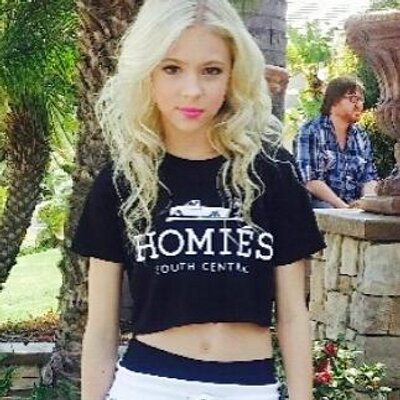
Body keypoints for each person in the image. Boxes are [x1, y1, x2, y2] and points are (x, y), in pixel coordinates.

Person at [71, 1, 325, 399]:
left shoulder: (273, 172)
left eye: (211, 70)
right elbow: (101, 328)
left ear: (233, 75)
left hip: (249, 388)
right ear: (147, 72)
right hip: (148, 385)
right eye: (172, 68)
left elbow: (293, 315)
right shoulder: (122, 180)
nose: (192, 90)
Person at [293, 75, 379, 209]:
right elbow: (310, 181)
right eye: (353, 99)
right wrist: (344, 208)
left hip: (352, 206)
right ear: (333, 101)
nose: (359, 105)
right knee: (324, 208)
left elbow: (369, 178)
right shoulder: (310, 131)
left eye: (361, 100)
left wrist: (367, 203)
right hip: (319, 207)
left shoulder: (360, 136)